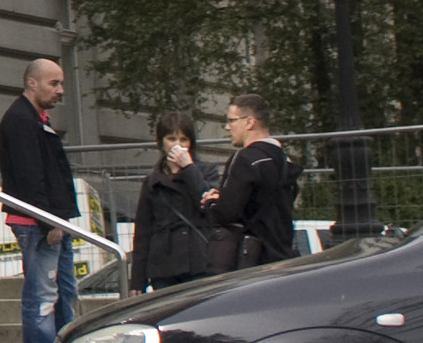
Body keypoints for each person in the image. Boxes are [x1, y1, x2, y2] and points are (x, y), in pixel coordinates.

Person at [0, 58, 79, 343]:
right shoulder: (20, 120)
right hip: (39, 223)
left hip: (54, 219)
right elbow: (31, 178)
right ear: (33, 83)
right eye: (53, 83)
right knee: (42, 295)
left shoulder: (36, 118)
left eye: (60, 83)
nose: (60, 90)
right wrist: (49, 222)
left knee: (64, 291)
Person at [202, 92, 298, 270]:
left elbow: (227, 212)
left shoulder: (245, 159)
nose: (227, 127)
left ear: (249, 122)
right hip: (282, 255)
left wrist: (211, 203)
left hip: (252, 259)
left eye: (232, 120)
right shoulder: (284, 160)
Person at [127, 115, 216, 292]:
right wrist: (137, 281)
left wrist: (188, 169)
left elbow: (210, 204)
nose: (178, 145)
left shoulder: (206, 171)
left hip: (199, 260)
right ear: (161, 142)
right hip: (164, 265)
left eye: (184, 139)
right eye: (171, 139)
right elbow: (143, 232)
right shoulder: (152, 181)